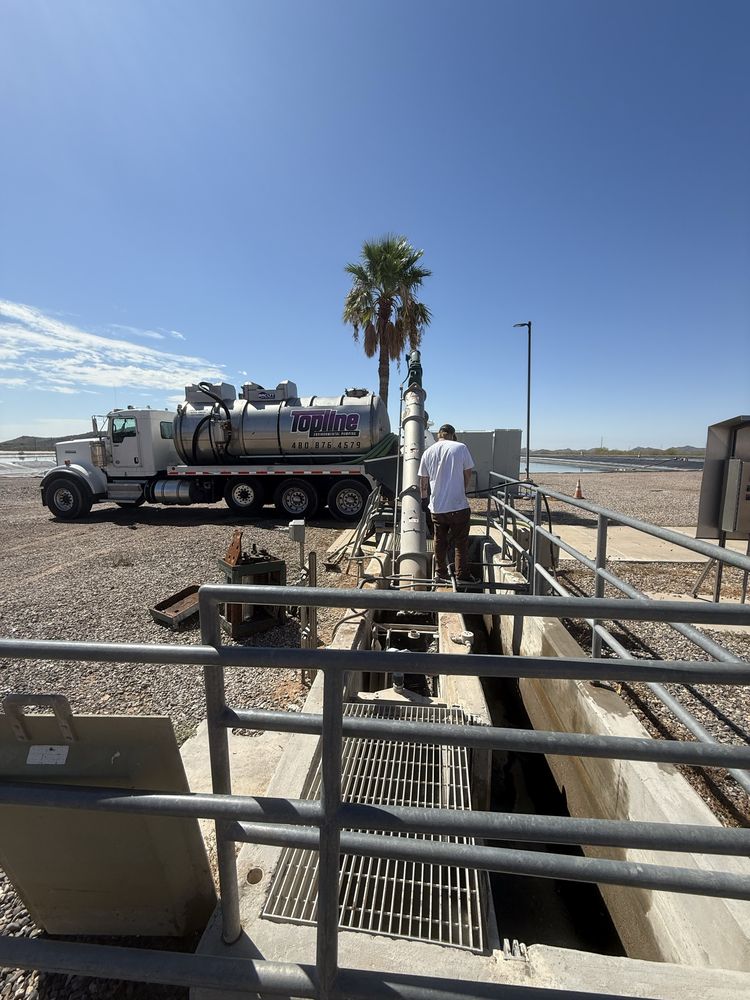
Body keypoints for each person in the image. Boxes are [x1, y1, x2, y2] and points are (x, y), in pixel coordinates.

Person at [418, 423, 476, 583]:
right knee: (460, 542)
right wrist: (462, 488)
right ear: (452, 434)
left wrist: (424, 499)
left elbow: (423, 479)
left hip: (437, 508)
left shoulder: (428, 452)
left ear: (439, 435)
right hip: (459, 506)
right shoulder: (460, 447)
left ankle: (441, 572)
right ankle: (462, 575)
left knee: (439, 540)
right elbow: (468, 471)